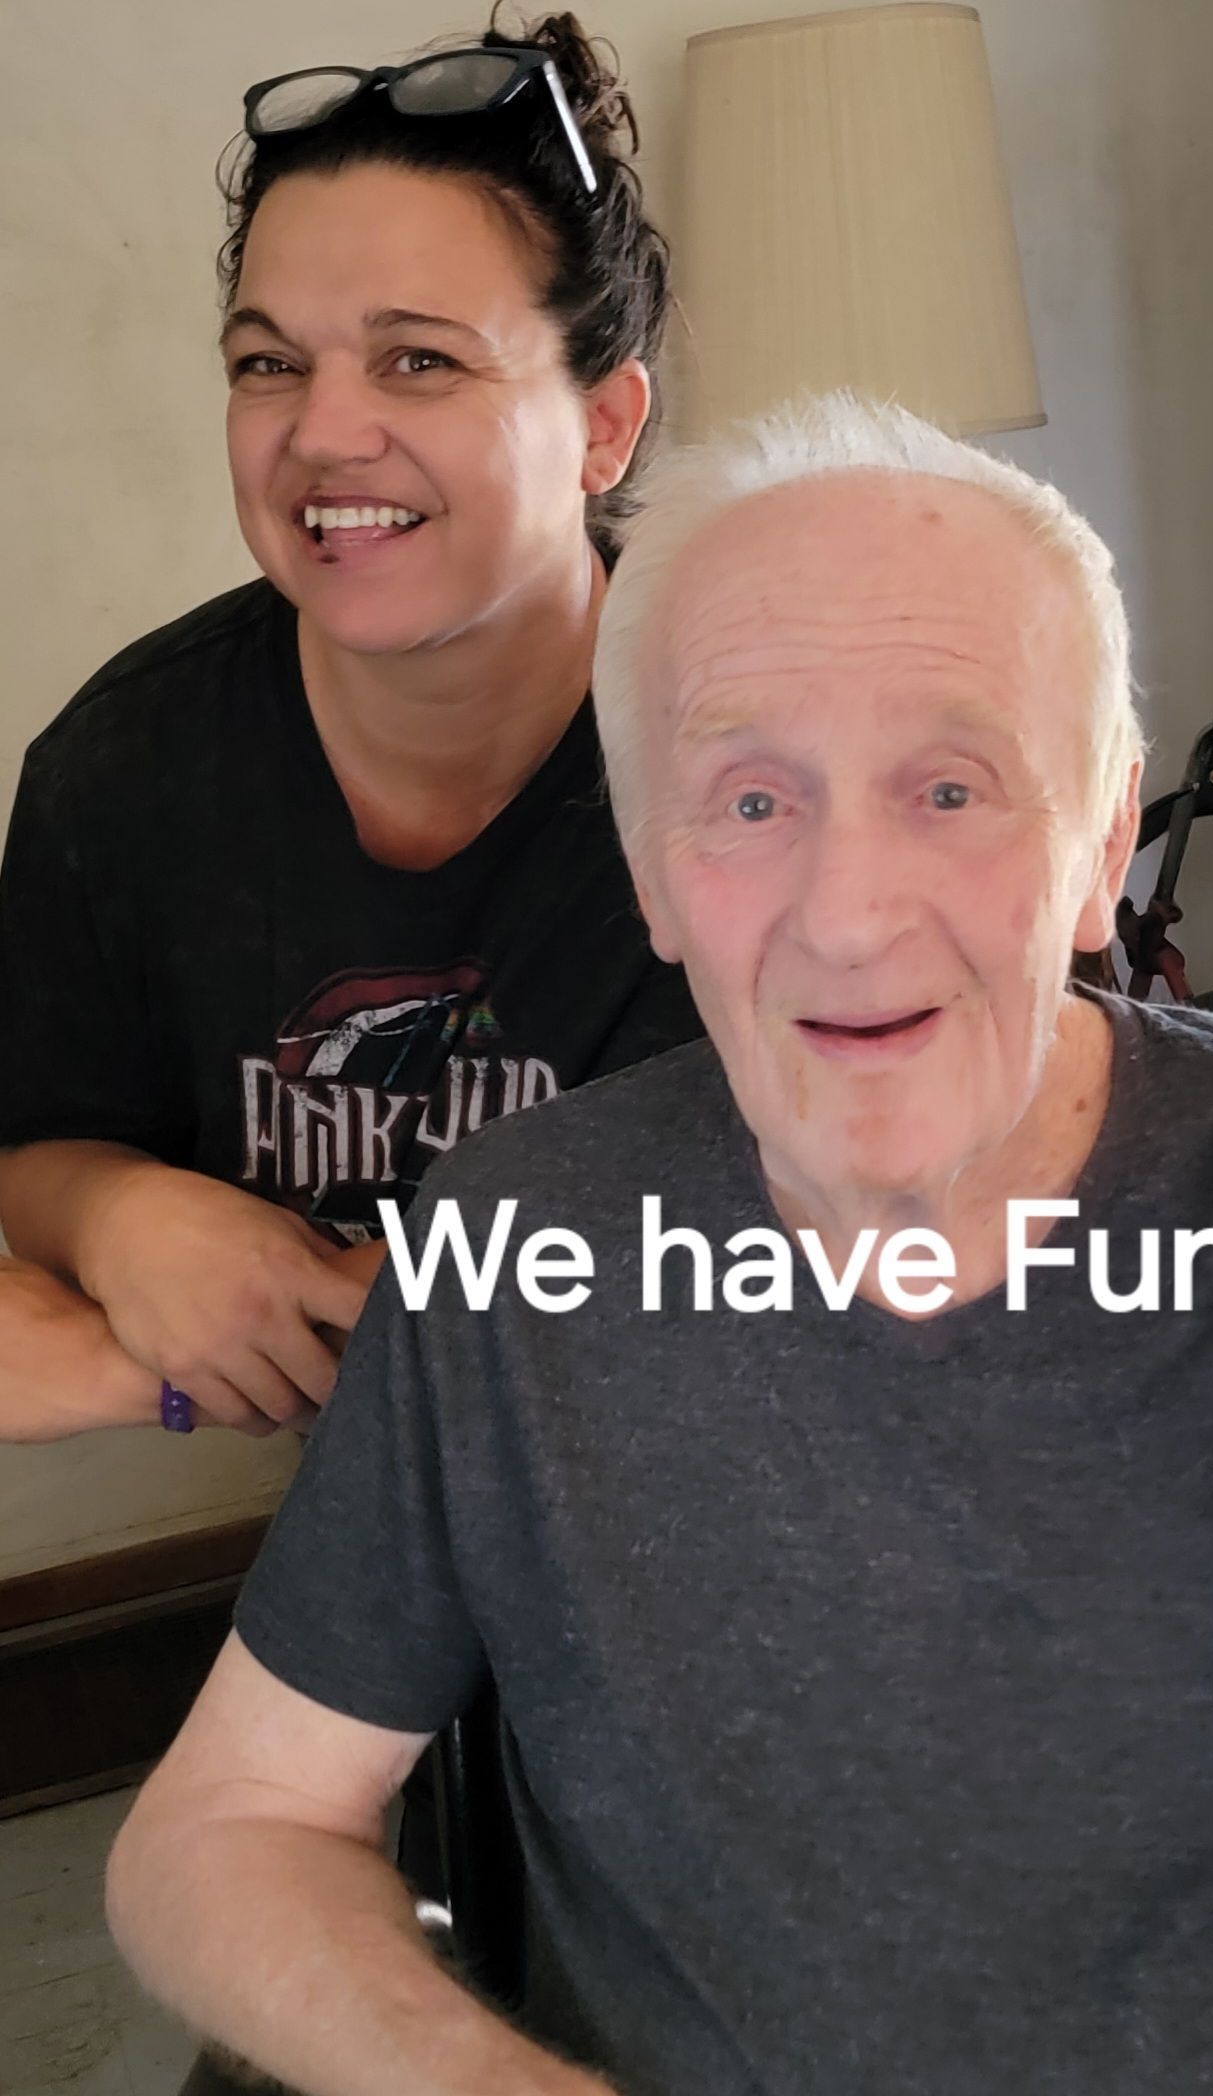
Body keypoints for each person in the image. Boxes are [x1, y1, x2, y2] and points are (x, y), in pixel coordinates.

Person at [106, 396, 1213, 2095]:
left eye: (952, 789)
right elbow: (223, 1835)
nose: (849, 911)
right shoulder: (509, 1256)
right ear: (648, 866)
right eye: (748, 800)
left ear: (1104, 835)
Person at [0, 13, 698, 1445]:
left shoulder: (764, 755)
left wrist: (143, 1369)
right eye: (267, 364)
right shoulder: (127, 769)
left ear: (605, 427)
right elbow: (38, 1134)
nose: (320, 436)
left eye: (419, 362)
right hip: (384, 1548)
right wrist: (123, 1214)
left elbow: (750, 1276)